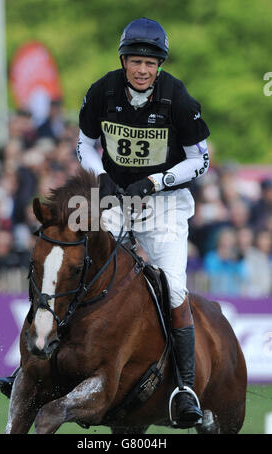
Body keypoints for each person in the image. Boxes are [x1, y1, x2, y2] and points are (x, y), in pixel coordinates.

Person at [76, 18, 210, 428]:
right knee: (82, 268)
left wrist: (155, 181)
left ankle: (185, 387)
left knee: (171, 286)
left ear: (159, 66)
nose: (142, 70)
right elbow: (84, 143)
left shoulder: (178, 98)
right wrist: (100, 176)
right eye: (135, 61)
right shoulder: (102, 90)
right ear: (123, 60)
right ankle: (39, 362)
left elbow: (200, 159)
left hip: (165, 205)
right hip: (117, 197)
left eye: (150, 64)